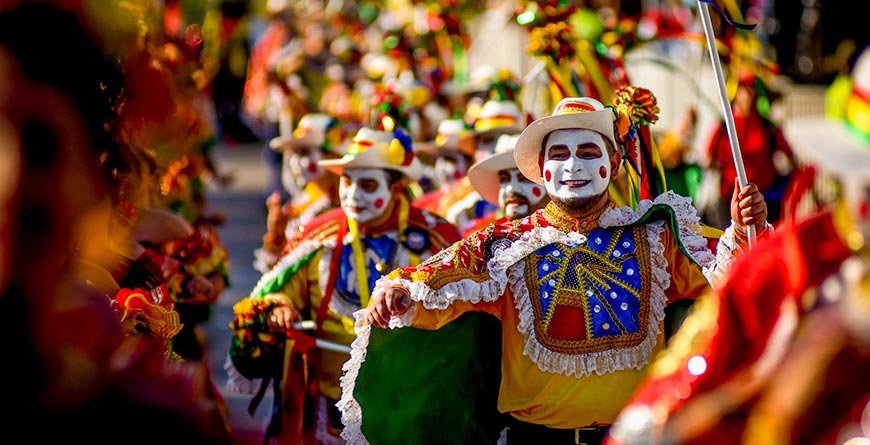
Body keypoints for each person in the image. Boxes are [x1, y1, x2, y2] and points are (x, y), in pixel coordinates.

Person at [349, 92, 769, 445]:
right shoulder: (508, 243)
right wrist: (400, 290)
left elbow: (729, 279)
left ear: (614, 165)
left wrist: (744, 226)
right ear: (543, 170)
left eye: (588, 153)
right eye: (560, 154)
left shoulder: (656, 238)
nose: (573, 167)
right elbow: (441, 277)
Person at [227, 127, 460, 444]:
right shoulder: (319, 234)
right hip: (329, 399)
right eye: (347, 183)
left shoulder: (436, 237)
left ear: (396, 188)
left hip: (411, 398)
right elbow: (275, 290)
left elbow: (464, 304)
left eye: (367, 185)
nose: (352, 195)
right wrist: (280, 307)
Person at [255, 113, 347, 273]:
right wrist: (276, 238)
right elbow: (278, 272)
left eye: (304, 152)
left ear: (332, 156)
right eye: (295, 154)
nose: (295, 161)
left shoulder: (351, 205)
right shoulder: (299, 205)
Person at [463, 133, 550, 235]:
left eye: (524, 178)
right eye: (504, 179)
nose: (511, 189)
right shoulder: (486, 239)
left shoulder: (568, 233)